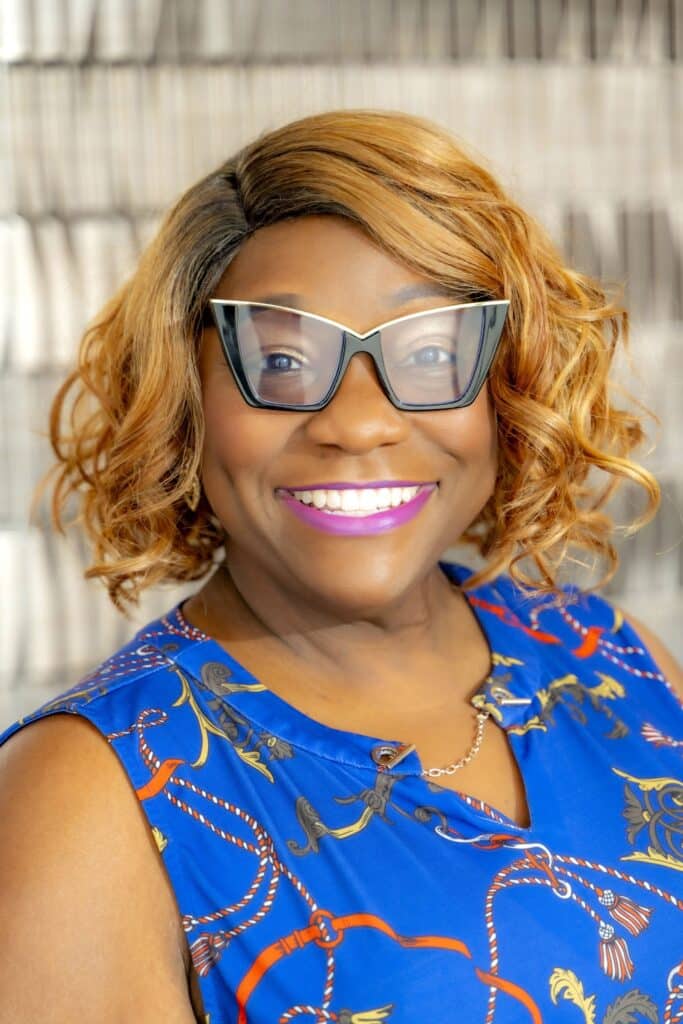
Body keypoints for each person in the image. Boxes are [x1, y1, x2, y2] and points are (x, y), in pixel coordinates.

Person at [0, 108, 681, 1024]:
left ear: (506, 386)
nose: (358, 423)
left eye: (430, 352)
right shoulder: (86, 794)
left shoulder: (609, 656)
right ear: (184, 398)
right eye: (281, 360)